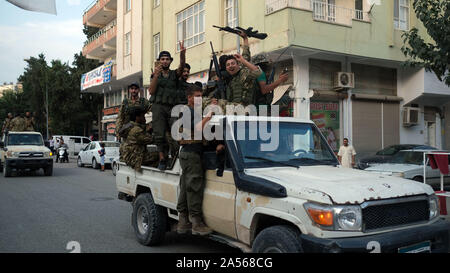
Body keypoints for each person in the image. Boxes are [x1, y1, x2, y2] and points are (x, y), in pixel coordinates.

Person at [176, 85, 213, 236]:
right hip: (191, 153)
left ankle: (183, 221)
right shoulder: (186, 111)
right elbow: (196, 129)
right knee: (195, 187)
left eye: (201, 96)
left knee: (187, 187)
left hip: (190, 152)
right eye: (197, 96)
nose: (200, 99)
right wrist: (208, 117)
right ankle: (196, 223)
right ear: (189, 97)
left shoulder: (193, 111)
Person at [149, 41, 187, 171]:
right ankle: (162, 159)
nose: (165, 61)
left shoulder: (174, 74)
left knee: (176, 132)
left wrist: (182, 54)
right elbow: (151, 91)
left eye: (167, 59)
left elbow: (181, 67)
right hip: (158, 107)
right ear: (159, 61)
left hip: (171, 107)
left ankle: (176, 157)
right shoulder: (155, 75)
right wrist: (155, 75)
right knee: (159, 134)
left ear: (170, 61)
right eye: (162, 59)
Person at [122, 107, 159, 172]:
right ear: (137, 118)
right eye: (143, 116)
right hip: (135, 158)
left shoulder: (131, 126)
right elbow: (151, 140)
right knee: (160, 155)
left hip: (130, 156)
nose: (144, 119)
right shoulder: (137, 130)